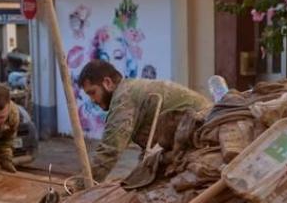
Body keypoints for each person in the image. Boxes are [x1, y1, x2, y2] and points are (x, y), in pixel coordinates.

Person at [77, 59, 210, 182]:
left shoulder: (124, 98)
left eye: (92, 92)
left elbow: (109, 152)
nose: (92, 100)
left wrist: (78, 188)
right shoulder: (131, 90)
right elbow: (149, 150)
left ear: (107, 83)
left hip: (204, 133)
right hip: (199, 130)